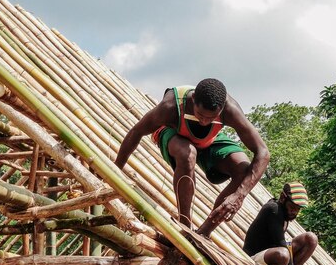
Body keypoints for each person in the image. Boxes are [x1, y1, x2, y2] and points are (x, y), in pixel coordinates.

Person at [115, 78, 269, 237]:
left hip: (209, 140)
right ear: (193, 99)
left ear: (222, 108)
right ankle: (185, 226)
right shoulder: (171, 106)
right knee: (188, 154)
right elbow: (136, 132)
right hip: (172, 133)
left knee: (243, 170)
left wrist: (239, 195)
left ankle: (204, 232)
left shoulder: (231, 110)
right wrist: (115, 171)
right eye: (200, 115)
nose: (204, 121)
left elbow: (263, 152)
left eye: (211, 118)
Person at [243, 182, 318, 265]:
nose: (294, 212)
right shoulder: (274, 209)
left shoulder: (284, 214)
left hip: (270, 254)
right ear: (282, 197)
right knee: (283, 255)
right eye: (292, 207)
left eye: (297, 209)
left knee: (311, 238)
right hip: (253, 258)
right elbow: (281, 245)